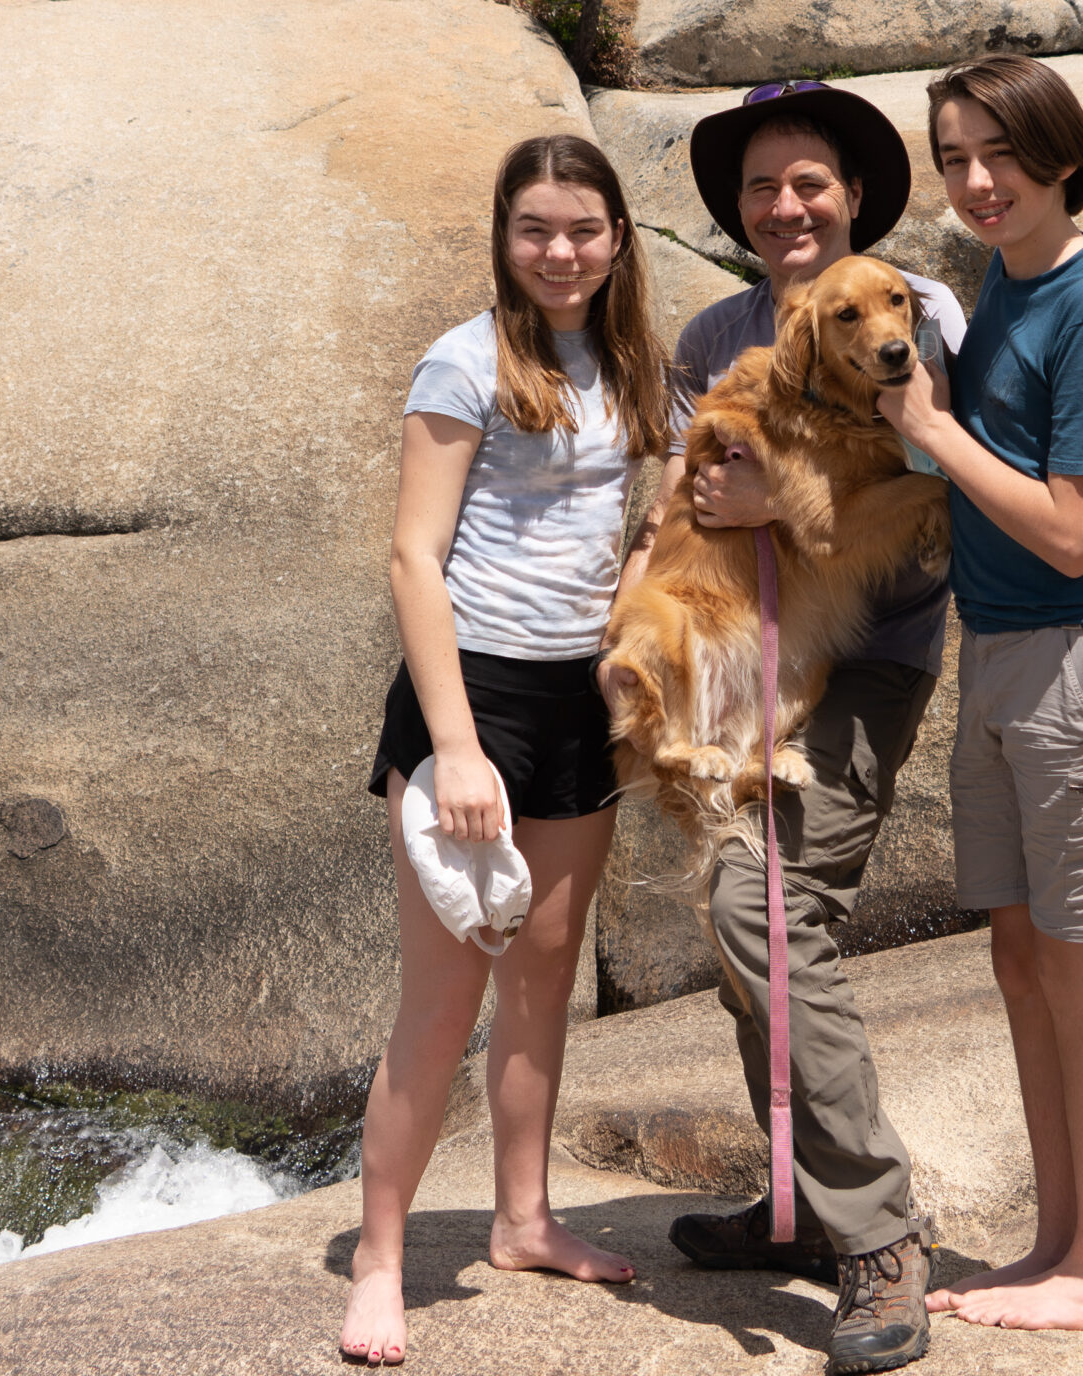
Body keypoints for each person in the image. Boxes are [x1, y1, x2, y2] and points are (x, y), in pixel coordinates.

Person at [600, 79, 967, 1376]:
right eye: (761, 187)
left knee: (765, 911)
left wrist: (785, 501)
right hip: (744, 665)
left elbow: (941, 483)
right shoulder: (714, 334)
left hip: (863, 666)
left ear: (854, 193)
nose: (785, 205)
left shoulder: (918, 315)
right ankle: (806, 1202)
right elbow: (683, 496)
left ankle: (877, 1239)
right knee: (743, 917)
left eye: (809, 181)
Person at [341, 133, 673, 1367]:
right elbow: (411, 557)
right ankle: (380, 1260)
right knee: (444, 998)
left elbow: (650, 513)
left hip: (577, 701)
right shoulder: (464, 359)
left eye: (582, 229)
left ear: (618, 238)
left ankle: (525, 1218)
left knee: (544, 974)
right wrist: (456, 747)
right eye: (535, 229)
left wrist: (634, 607)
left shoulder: (636, 362)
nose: (560, 251)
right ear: (503, 237)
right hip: (469, 698)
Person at [878, 54, 1083, 1333]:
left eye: (997, 152)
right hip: (1001, 656)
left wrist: (939, 436)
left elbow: (1072, 530)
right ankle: (1058, 1239)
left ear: (1061, 153)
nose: (975, 180)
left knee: (1082, 969)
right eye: (951, 157)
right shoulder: (993, 289)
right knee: (1017, 958)